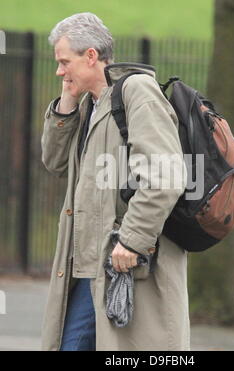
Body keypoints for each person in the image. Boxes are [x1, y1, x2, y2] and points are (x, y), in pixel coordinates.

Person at [41, 12, 190, 351]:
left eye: (65, 62)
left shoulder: (137, 92)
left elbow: (165, 175)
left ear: (90, 56)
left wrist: (133, 240)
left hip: (125, 264)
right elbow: (54, 162)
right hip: (86, 267)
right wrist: (66, 104)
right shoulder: (88, 105)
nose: (59, 71)